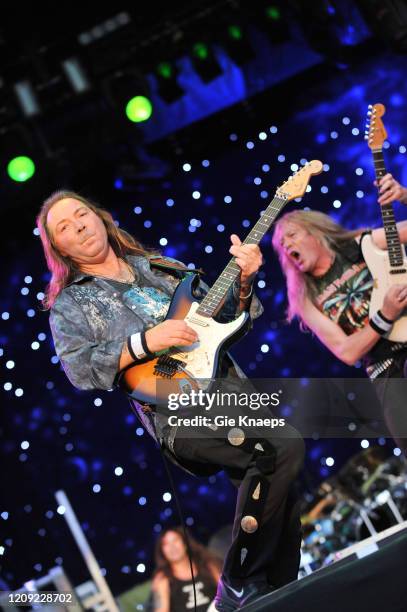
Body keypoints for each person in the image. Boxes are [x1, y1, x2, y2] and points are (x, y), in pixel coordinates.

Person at [37, 191, 305, 611]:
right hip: (177, 413)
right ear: (59, 249)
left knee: (283, 502)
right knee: (283, 447)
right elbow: (79, 370)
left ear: (101, 218)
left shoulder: (163, 268)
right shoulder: (70, 304)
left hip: (234, 394)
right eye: (64, 228)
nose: (79, 226)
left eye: (82, 214)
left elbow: (235, 319)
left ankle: (278, 597)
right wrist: (146, 341)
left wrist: (247, 278)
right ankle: (236, 581)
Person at [272, 173, 407, 454]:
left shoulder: (360, 245)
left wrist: (403, 196)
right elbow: (346, 352)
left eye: (292, 236)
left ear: (314, 232)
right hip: (385, 368)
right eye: (282, 247)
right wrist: (384, 315)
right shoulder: (305, 298)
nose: (287, 247)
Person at [151, 526, 221, 612]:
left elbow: (227, 593)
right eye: (166, 544)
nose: (172, 547)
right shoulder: (162, 578)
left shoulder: (207, 565)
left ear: (185, 543)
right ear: (162, 551)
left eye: (175, 540)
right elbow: (161, 609)